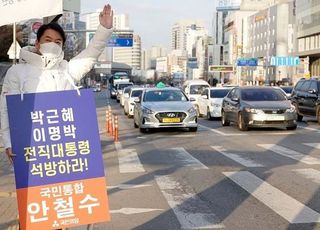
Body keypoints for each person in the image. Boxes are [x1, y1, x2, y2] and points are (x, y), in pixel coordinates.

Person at [1, 4, 114, 164]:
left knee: (69, 187)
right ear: (38, 44)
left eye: (58, 41)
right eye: (48, 40)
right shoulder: (17, 72)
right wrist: (8, 143)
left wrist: (104, 29)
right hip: (32, 145)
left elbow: (91, 53)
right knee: (37, 188)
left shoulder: (67, 70)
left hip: (66, 146)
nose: (53, 44)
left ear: (62, 46)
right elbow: (6, 109)